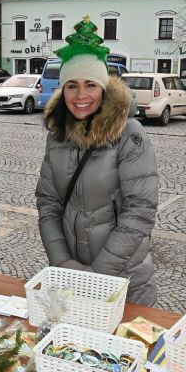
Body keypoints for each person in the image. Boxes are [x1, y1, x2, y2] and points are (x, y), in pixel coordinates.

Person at [35, 17, 159, 305]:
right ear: (63, 90)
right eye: (72, 85)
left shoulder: (129, 133)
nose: (81, 95)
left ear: (103, 89)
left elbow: (139, 211)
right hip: (72, 275)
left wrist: (96, 275)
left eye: (90, 84)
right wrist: (62, 262)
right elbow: (48, 202)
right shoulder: (57, 135)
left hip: (124, 279)